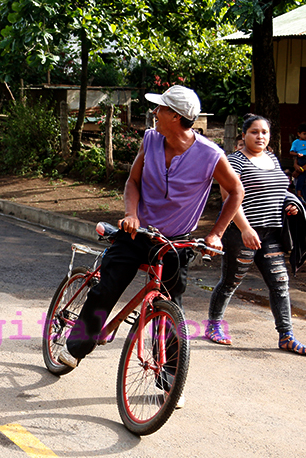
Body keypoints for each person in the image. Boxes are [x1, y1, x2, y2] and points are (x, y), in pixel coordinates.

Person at [57, 85, 244, 393]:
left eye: (160, 109)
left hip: (174, 243)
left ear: (176, 116)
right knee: (106, 290)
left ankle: (169, 379)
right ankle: (76, 347)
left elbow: (236, 191)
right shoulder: (151, 139)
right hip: (137, 233)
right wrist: (131, 214)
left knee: (171, 308)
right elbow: (133, 180)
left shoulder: (210, 155)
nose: (155, 114)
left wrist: (217, 234)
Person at [205, 115, 306, 356]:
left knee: (280, 283)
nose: (260, 136)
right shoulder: (234, 161)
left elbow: (279, 190)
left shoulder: (273, 159)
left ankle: (286, 336)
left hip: (271, 233)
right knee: (231, 282)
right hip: (240, 233)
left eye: (264, 132)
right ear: (243, 135)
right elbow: (228, 198)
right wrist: (245, 228)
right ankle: (214, 325)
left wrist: (289, 204)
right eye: (254, 132)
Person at [289, 123, 306, 195]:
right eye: (304, 134)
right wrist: (297, 154)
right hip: (302, 159)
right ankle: (298, 192)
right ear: (299, 134)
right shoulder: (296, 142)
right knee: (301, 176)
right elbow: (291, 152)